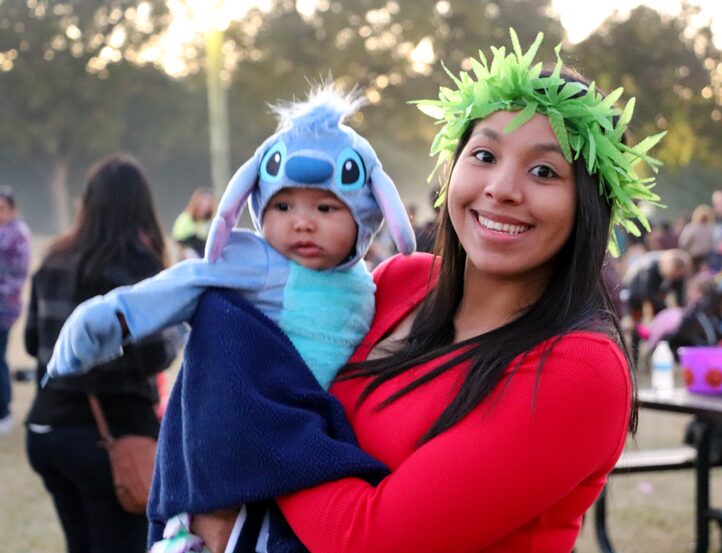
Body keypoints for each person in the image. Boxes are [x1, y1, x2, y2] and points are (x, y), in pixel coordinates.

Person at [185, 29, 665, 553]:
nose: (502, 187)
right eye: (484, 155)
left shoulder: (580, 369)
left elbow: (369, 539)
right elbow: (252, 357)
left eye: (544, 170)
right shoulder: (399, 282)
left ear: (588, 208)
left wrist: (243, 442)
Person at [47, 86, 416, 549]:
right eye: (283, 206)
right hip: (248, 431)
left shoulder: (365, 282)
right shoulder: (258, 262)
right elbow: (190, 280)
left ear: (367, 215)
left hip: (303, 437)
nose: (302, 223)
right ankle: (185, 532)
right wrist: (114, 316)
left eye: (325, 208)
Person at [24, 155, 183, 553]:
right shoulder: (136, 263)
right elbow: (151, 358)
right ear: (140, 204)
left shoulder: (55, 257)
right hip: (109, 436)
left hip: (47, 430)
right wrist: (179, 329)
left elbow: (32, 343)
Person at [0, 185, 31, 434]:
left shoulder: (16, 235)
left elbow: (16, 276)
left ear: (13, 209)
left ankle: (4, 412)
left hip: (4, 309)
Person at [171, 188, 216, 259]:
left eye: (207, 205)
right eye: (202, 204)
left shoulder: (209, 223)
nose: (204, 207)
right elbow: (178, 240)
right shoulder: (185, 219)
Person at [678, 203, 715, 272]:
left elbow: (683, 242)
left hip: (693, 257)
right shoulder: (711, 229)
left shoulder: (691, 227)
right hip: (707, 258)